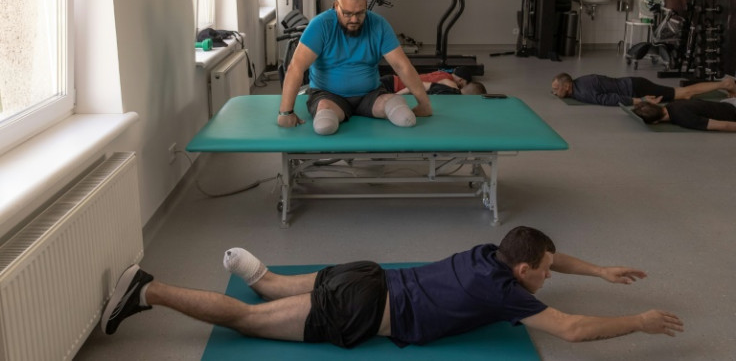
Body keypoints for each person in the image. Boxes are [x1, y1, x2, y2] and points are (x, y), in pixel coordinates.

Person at [100, 226, 683, 348]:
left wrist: (601, 271)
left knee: (274, 286)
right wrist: (639, 322)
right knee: (245, 322)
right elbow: (573, 330)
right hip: (364, 306)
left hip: (366, 272)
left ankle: (255, 272)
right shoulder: (509, 293)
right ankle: (148, 291)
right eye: (547, 271)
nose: (552, 275)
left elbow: (549, 255)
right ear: (523, 272)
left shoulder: (494, 252)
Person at [277, 0, 432, 135]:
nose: (353, 19)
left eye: (359, 13)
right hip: (329, 96)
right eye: (347, 13)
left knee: (404, 115)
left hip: (370, 95)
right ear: (336, 5)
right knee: (324, 125)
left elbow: (401, 65)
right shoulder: (321, 25)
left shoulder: (379, 25)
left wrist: (423, 103)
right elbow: (296, 67)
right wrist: (285, 113)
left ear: (365, 5)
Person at [551, 72, 736, 106]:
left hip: (636, 89)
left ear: (567, 86)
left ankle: (725, 84)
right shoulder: (581, 82)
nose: (554, 93)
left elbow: (610, 99)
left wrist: (640, 101)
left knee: (684, 94)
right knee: (680, 95)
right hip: (634, 83)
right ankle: (725, 86)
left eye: (556, 89)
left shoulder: (583, 93)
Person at [632, 97, 736, 131]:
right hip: (728, 102)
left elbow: (724, 125)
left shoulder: (683, 118)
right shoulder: (673, 104)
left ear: (655, 122)